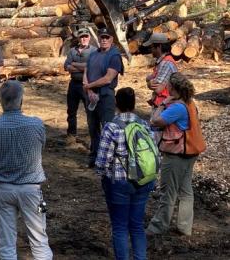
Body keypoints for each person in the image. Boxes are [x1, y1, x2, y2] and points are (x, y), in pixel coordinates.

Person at [0, 80, 53, 260]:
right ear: (21, 100)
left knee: (6, 243)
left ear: (0, 101)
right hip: (31, 190)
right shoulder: (37, 124)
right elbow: (40, 147)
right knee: (39, 240)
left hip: (2, 189)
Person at [95, 87, 156, 260]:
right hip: (143, 181)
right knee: (137, 225)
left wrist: (103, 174)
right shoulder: (144, 124)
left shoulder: (111, 127)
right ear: (134, 104)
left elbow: (101, 162)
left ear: (116, 103)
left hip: (119, 184)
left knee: (120, 227)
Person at [147, 72, 200, 236]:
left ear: (173, 87)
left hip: (176, 154)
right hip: (191, 151)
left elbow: (154, 121)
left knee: (168, 192)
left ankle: (158, 226)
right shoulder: (189, 103)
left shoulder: (176, 107)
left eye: (168, 84)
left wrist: (162, 104)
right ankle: (184, 227)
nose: (166, 86)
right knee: (185, 191)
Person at [83, 27, 124, 168]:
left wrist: (89, 86)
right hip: (91, 96)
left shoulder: (114, 56)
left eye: (107, 37)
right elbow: (86, 71)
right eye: (102, 37)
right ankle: (94, 156)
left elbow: (108, 78)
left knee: (107, 128)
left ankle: (108, 159)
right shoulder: (94, 54)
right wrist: (88, 90)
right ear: (98, 38)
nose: (104, 40)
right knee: (93, 128)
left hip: (106, 96)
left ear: (112, 39)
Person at [64, 28, 96, 144]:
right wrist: (83, 67)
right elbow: (66, 66)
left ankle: (93, 135)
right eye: (82, 37)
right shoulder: (72, 51)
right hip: (73, 84)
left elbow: (91, 67)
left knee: (90, 111)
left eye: (86, 36)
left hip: (87, 85)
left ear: (89, 38)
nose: (84, 39)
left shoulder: (94, 51)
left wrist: (74, 64)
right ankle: (71, 135)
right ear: (78, 38)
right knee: (71, 111)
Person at [143, 33, 177, 109]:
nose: (151, 50)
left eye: (152, 47)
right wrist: (149, 81)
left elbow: (158, 89)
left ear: (159, 46)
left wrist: (149, 83)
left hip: (165, 106)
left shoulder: (166, 63)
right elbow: (149, 78)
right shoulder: (161, 62)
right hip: (162, 105)